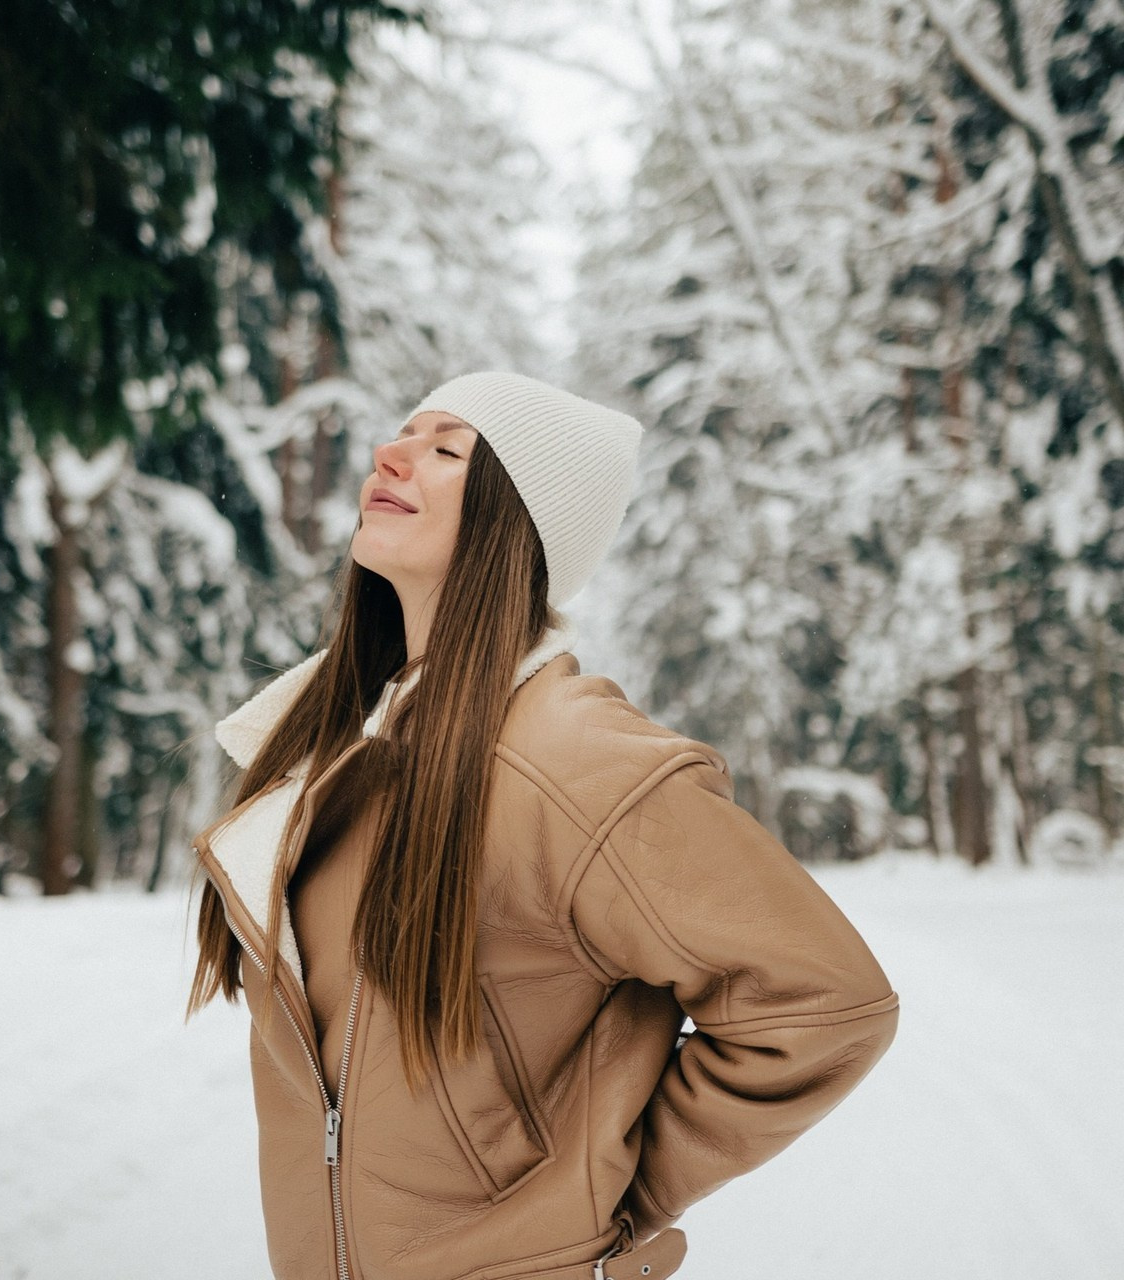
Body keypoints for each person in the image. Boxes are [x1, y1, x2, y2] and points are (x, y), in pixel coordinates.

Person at [188, 371, 899, 1280]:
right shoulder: (346, 745)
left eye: (447, 449)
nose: (389, 454)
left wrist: (603, 1190)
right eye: (403, 433)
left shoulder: (571, 760)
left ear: (514, 523)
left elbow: (824, 1005)